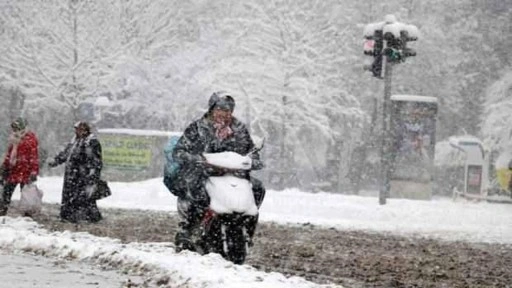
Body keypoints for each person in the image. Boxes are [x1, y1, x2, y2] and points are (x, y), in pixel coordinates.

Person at [171, 91, 265, 251]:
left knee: (257, 188)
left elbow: (251, 151)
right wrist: (195, 159)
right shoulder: (198, 128)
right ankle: (189, 228)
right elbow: (179, 150)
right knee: (195, 189)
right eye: (220, 109)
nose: (224, 113)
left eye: (228, 110)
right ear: (212, 109)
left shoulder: (239, 129)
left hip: (235, 176)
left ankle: (248, 227)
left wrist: (254, 160)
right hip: (204, 173)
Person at [48, 121, 103, 223]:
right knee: (69, 195)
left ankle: (86, 216)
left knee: (83, 197)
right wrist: (56, 161)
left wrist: (92, 173)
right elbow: (66, 154)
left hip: (82, 174)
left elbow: (96, 160)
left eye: (78, 130)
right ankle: (67, 215)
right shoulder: (75, 141)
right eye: (76, 130)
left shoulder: (91, 142)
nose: (76, 132)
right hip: (72, 174)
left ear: (85, 130)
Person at [0, 117, 39, 216]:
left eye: (16, 127)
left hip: (25, 171)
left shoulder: (30, 139)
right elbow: (10, 154)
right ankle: (2, 209)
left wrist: (34, 171)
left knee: (26, 193)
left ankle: (27, 213)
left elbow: (34, 156)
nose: (14, 130)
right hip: (13, 170)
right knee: (7, 191)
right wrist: (4, 166)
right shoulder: (14, 138)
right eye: (13, 128)